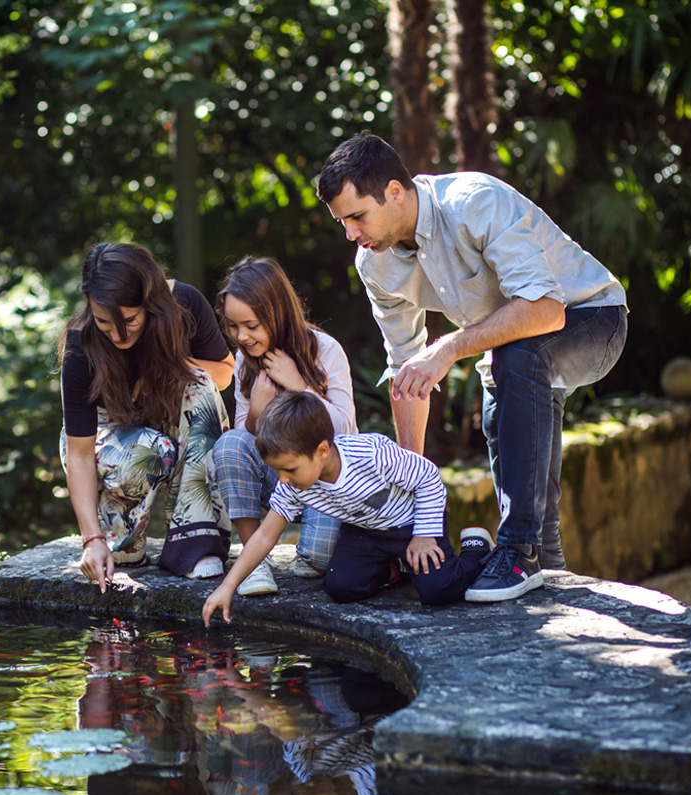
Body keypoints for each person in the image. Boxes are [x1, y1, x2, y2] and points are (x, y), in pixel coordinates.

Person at [314, 132, 628, 603]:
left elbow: (546, 309)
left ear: (394, 192)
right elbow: (406, 372)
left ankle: (517, 548)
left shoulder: (474, 202)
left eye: (358, 217)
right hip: (513, 352)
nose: (351, 234)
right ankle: (547, 573)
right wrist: (408, 491)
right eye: (343, 222)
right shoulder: (374, 265)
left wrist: (446, 349)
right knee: (504, 414)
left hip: (593, 318)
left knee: (516, 360)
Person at [202, 391, 494, 626]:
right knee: (341, 587)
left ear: (321, 451)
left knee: (438, 589)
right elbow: (266, 535)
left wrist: (424, 535)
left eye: (289, 469)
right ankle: (391, 568)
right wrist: (228, 586)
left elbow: (428, 476)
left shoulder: (371, 454)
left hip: (412, 524)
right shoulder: (293, 484)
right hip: (366, 531)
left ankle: (476, 548)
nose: (283, 480)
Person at [58, 242, 236, 591]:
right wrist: (91, 539)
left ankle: (195, 542)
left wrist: (168, 367)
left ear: (150, 299)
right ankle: (122, 541)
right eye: (104, 322)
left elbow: (225, 372)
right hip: (113, 445)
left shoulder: (185, 303)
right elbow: (79, 454)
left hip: (172, 417)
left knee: (198, 384)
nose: (118, 335)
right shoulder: (82, 344)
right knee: (153, 455)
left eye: (129, 320)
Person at [208, 256, 359, 597]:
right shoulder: (246, 359)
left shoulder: (325, 350)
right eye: (233, 326)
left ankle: (315, 546)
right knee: (229, 443)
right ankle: (254, 560)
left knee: (317, 562)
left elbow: (345, 430)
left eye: (251, 325)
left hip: (325, 480)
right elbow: (244, 440)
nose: (242, 336)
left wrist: (299, 386)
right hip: (280, 478)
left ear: (277, 313)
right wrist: (257, 412)